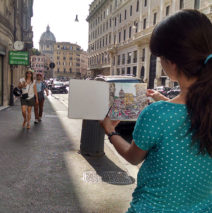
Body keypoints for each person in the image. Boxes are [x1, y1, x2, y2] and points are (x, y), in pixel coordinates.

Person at [101, 10, 212, 212]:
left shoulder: (157, 114)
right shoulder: (201, 108)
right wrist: (169, 101)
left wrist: (110, 130)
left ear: (171, 62)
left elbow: (132, 157)